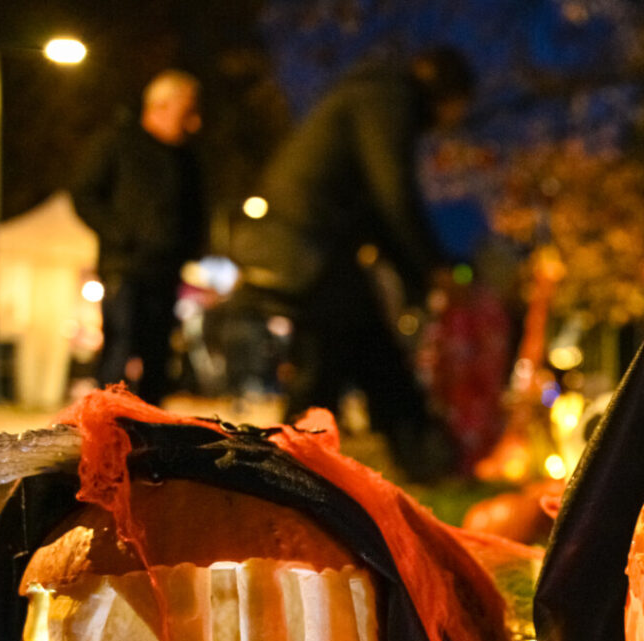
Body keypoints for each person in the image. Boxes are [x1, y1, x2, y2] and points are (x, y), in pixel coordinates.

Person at [233, 47, 473, 480]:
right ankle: (282, 467)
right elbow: (392, 193)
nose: (453, 119)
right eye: (457, 106)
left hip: (310, 240)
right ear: (445, 91)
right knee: (337, 351)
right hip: (306, 242)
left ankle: (415, 460)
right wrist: (431, 266)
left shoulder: (372, 96)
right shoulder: (386, 99)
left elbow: (377, 208)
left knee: (357, 345)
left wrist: (417, 272)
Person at [71, 70, 204, 405]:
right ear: (159, 106)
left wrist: (191, 247)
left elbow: (198, 211)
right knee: (120, 344)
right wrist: (120, 234)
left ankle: (151, 425)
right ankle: (107, 420)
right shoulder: (116, 143)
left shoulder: (186, 159)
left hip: (166, 269)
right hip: (124, 267)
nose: (193, 121)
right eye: (186, 111)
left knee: (159, 350)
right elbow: (84, 194)